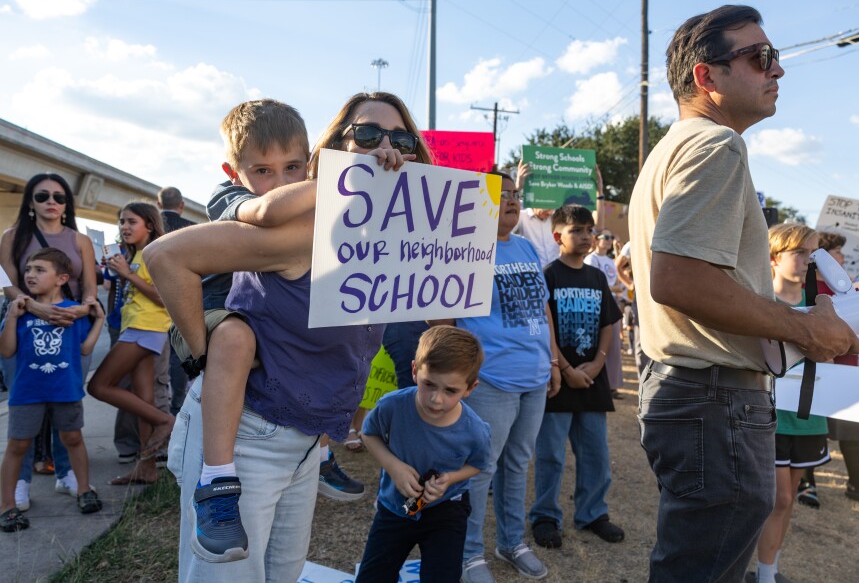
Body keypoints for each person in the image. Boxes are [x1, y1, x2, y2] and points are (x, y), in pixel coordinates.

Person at [145, 91, 425, 581]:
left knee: (284, 574)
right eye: (366, 134)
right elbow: (166, 257)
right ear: (333, 148)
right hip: (248, 435)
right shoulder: (307, 226)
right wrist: (209, 354)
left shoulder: (391, 233)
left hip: (306, 440)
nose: (384, 147)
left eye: (399, 137)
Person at [628, 5, 859, 582]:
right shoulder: (717, 147)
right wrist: (805, 328)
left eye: (773, 57)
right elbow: (679, 280)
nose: (776, 70)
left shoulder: (675, 147)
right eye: (760, 58)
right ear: (707, 77)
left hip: (693, 394)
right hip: (714, 398)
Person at [430, 170, 559, 583]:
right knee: (480, 469)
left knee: (519, 464)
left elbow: (543, 309)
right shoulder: (464, 250)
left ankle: (510, 542)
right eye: (500, 194)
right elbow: (443, 319)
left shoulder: (525, 247)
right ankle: (468, 555)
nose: (511, 200)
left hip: (534, 379)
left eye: (515, 194)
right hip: (491, 382)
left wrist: (553, 361)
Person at [355, 326, 491, 582]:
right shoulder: (392, 406)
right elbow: (368, 433)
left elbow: (477, 464)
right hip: (394, 508)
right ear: (415, 370)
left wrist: (450, 479)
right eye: (429, 384)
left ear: (470, 388)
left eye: (451, 391)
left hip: (447, 511)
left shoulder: (475, 430)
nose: (436, 399)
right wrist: (393, 466)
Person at [0, 173, 98, 510]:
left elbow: (88, 283)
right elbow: (9, 284)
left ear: (67, 203)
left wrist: (84, 309)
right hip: (24, 320)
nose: (51, 202)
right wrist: (38, 308)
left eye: (59, 196)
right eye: (42, 196)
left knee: (66, 398)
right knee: (23, 405)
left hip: (71, 324)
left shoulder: (79, 239)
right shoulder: (11, 236)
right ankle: (21, 482)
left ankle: (66, 472)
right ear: (30, 202)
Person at [529, 205, 624, 550]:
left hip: (591, 380)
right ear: (558, 237)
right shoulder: (548, 275)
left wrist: (597, 365)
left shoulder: (597, 277)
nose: (587, 237)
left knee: (595, 453)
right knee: (551, 454)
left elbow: (607, 325)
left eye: (590, 230)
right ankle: (545, 516)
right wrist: (565, 369)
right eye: (578, 230)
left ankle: (593, 513)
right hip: (559, 380)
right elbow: (544, 325)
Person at [747, 223, 830, 583]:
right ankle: (764, 576)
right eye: (799, 252)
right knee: (777, 499)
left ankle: (770, 571)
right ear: (774, 257)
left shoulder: (822, 304)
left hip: (811, 414)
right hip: (770, 415)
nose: (806, 261)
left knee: (789, 498)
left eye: (812, 253)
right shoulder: (762, 304)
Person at [0, 248, 104, 532]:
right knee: (18, 444)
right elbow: (7, 351)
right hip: (26, 391)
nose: (30, 274)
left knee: (72, 437)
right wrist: (10, 316)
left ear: (62, 278)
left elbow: (84, 348)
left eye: (39, 270)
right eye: (29, 269)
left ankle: (84, 489)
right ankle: (7, 505)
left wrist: (100, 321)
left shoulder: (74, 311)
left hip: (65, 389)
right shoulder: (21, 311)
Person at [87, 202, 175, 485]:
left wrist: (127, 274)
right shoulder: (133, 254)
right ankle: (146, 467)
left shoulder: (153, 254)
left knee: (98, 386)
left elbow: (165, 298)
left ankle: (166, 422)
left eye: (131, 221)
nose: (124, 226)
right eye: (121, 221)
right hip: (136, 326)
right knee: (142, 400)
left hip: (145, 328)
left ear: (149, 225)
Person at [798, 232, 859, 508]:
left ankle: (858, 484)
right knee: (813, 427)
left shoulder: (847, 290)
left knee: (849, 431)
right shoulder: (807, 289)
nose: (843, 259)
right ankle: (807, 482)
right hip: (819, 372)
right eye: (837, 253)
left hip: (847, 372)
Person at [156, 185, 196, 417]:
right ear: (181, 205)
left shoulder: (150, 226)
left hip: (148, 306)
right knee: (178, 355)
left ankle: (157, 408)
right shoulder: (192, 229)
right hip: (182, 300)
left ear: (159, 204)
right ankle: (177, 405)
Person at [585, 228, 625, 399]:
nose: (609, 240)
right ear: (596, 239)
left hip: (612, 303)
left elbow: (617, 283)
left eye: (611, 237)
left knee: (614, 346)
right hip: (597, 304)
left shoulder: (609, 260)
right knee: (600, 345)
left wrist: (615, 289)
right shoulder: (591, 259)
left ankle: (612, 385)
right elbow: (591, 284)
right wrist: (613, 288)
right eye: (605, 237)